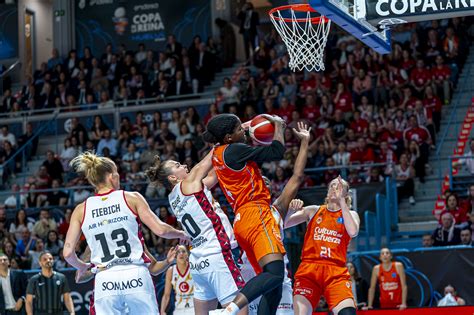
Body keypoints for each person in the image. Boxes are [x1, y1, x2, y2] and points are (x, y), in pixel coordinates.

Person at [63, 152, 188, 314]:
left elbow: (67, 253)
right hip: (135, 274)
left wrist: (81, 266)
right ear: (110, 176)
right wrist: (181, 233)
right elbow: (161, 230)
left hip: (105, 278)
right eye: (117, 174)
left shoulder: (81, 209)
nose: (119, 177)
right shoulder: (131, 198)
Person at [203, 113, 287, 315]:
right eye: (240, 129)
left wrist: (249, 126)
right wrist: (278, 127)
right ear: (229, 137)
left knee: (272, 285)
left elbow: (239, 138)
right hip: (256, 213)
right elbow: (277, 151)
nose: (245, 131)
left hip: (242, 220)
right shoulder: (236, 150)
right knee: (275, 275)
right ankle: (230, 309)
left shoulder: (218, 152)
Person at [146, 151, 246, 314]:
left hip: (198, 260)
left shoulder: (174, 197)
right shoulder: (187, 184)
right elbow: (204, 164)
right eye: (178, 166)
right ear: (173, 178)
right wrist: (221, 142)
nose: (184, 165)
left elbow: (213, 176)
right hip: (217, 253)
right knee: (239, 307)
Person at [241, 121, 311, 314]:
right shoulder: (243, 213)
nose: (262, 182)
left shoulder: (277, 209)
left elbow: (297, 177)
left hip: (279, 281)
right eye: (258, 180)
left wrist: (304, 142)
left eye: (266, 182)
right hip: (250, 280)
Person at [283, 177, 360, 315]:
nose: (335, 188)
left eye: (340, 187)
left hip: (335, 272)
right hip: (309, 269)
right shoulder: (314, 210)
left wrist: (342, 201)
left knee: (348, 313)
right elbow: (284, 224)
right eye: (333, 185)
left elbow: (353, 232)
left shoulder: (352, 214)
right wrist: (290, 210)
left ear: (346, 194)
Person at [161, 245, 195, 314]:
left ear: (187, 254)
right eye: (178, 252)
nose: (181, 254)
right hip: (179, 309)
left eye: (183, 251)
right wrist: (162, 311)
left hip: (194, 307)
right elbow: (166, 295)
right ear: (175, 255)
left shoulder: (193, 267)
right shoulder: (171, 271)